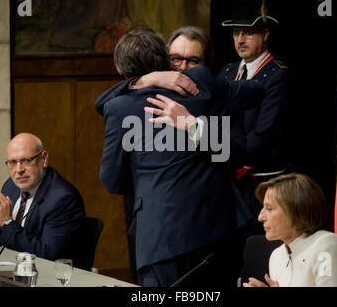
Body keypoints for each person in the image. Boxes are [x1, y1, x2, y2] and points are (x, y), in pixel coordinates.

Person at [96, 29, 266, 287]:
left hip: (173, 235)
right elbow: (257, 90)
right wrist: (145, 80)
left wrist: (151, 183)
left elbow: (111, 180)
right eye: (176, 59)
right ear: (165, 60)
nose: (183, 68)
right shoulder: (201, 84)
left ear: (206, 63)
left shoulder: (119, 106)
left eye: (193, 61)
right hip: (207, 232)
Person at [218, 0, 294, 236]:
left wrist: (222, 155)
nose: (240, 40)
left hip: (260, 182)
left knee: (254, 245)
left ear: (265, 34)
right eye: (236, 33)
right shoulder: (227, 71)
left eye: (248, 33)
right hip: (228, 177)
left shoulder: (278, 76)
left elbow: (264, 135)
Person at [0, 133, 87, 267]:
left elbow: (48, 256)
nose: (19, 170)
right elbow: (5, 240)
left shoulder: (63, 199)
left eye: (26, 160)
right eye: (12, 162)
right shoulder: (11, 186)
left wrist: (8, 222)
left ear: (44, 159)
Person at [243, 173, 337, 287]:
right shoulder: (276, 256)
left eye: (269, 208)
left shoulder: (328, 247)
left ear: (296, 212)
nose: (260, 217)